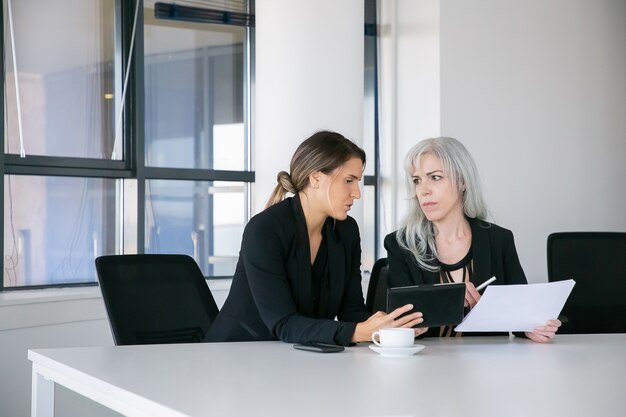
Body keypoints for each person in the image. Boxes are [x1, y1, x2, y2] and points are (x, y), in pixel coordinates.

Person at [207, 130, 426, 346]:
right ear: (316, 178)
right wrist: (359, 332)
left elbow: (351, 310)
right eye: (349, 181)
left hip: (299, 355)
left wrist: (389, 327)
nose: (357, 193)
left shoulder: (346, 231)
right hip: (238, 355)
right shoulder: (264, 230)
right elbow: (283, 323)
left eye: (357, 181)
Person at [384, 137, 561, 343]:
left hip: (486, 365)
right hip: (425, 365)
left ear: (462, 181)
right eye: (417, 180)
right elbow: (399, 322)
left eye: (435, 177)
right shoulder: (400, 244)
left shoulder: (499, 239)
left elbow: (520, 316)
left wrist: (533, 328)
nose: (423, 190)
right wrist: (444, 304)